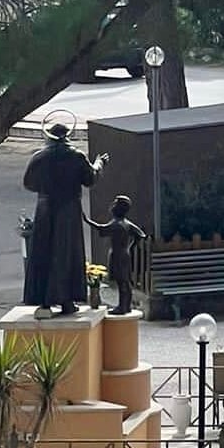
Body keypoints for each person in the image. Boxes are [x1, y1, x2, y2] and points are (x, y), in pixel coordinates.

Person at [22, 120, 108, 316]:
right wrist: (100, 162)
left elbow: (28, 183)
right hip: (68, 208)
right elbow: (90, 179)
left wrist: (45, 189)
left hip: (45, 208)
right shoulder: (76, 155)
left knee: (43, 250)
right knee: (67, 252)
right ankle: (67, 300)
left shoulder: (39, 156)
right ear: (67, 136)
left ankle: (44, 301)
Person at [83, 195, 147, 314]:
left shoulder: (117, 224)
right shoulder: (126, 223)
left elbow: (101, 228)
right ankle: (125, 305)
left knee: (122, 281)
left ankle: (123, 306)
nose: (112, 206)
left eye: (115, 204)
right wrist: (131, 246)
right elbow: (141, 235)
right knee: (125, 281)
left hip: (118, 255)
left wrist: (86, 220)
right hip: (124, 253)